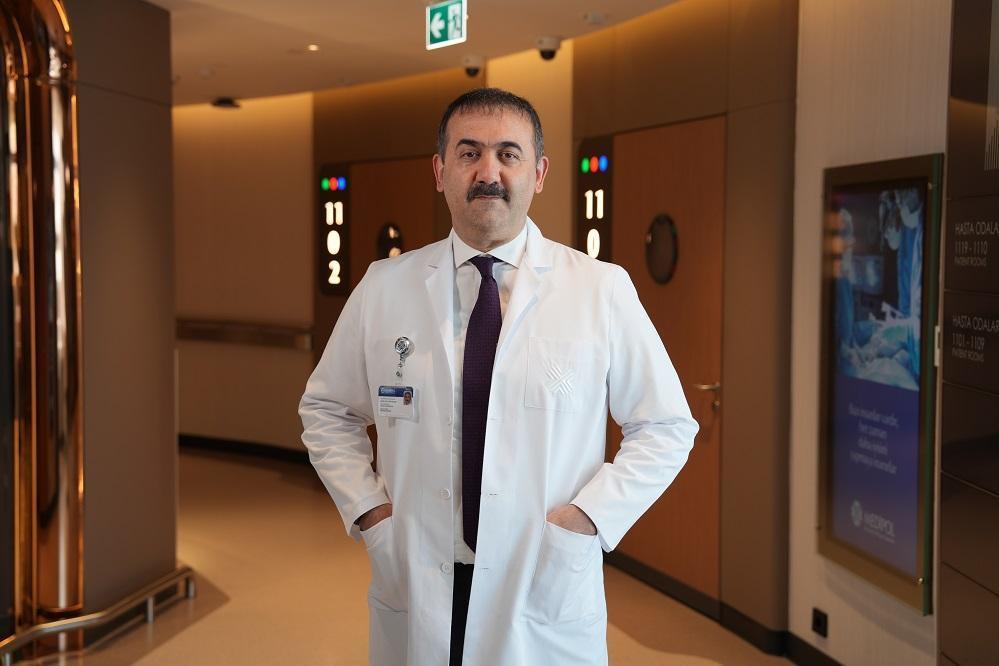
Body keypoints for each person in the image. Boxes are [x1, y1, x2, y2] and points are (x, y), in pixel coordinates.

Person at [299, 87, 698, 666]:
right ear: (440, 171)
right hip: (417, 575)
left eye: (509, 154)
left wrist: (590, 518)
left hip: (540, 580)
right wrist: (370, 510)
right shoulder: (384, 286)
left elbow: (666, 426)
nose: (489, 172)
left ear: (539, 173)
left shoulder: (600, 289)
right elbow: (327, 410)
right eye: (469, 153)